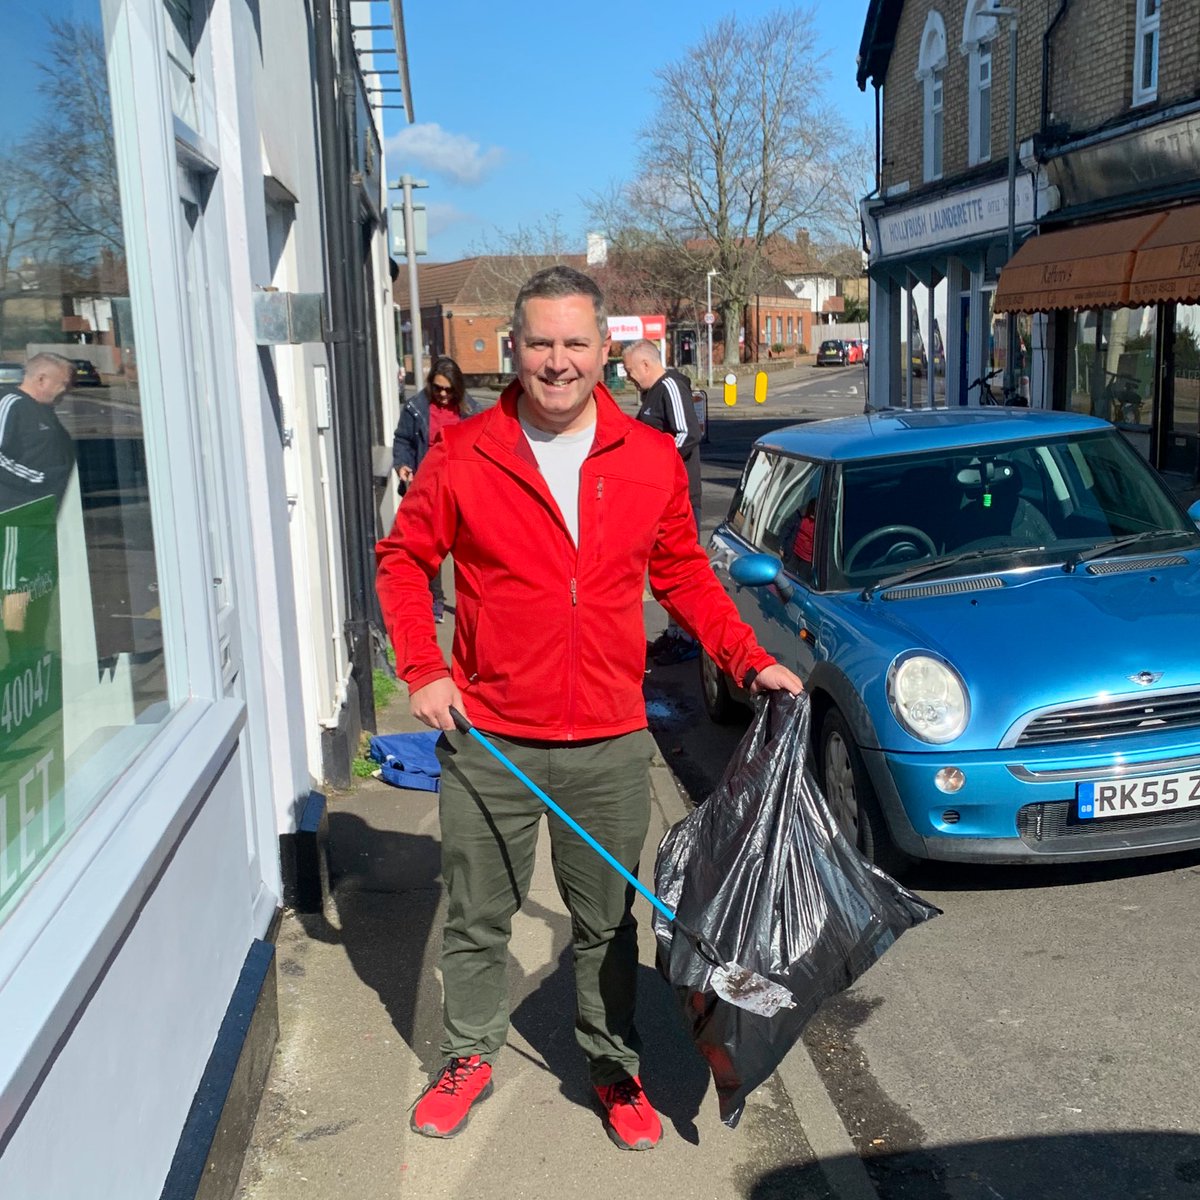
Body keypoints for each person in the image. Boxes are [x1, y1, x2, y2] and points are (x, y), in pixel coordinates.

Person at [376, 266, 802, 1151]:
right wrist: (423, 668)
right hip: (487, 735)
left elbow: (683, 572)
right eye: (540, 343)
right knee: (477, 916)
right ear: (513, 352)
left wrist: (748, 658)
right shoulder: (464, 453)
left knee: (605, 924)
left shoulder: (645, 459)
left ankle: (613, 1069)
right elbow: (402, 561)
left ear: (605, 350)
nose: (558, 362)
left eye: (576, 343)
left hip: (608, 737)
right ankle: (468, 1056)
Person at [621, 339, 703, 666]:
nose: (628, 378)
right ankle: (674, 633)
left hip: (679, 497)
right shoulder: (652, 394)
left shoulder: (670, 386)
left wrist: (656, 466)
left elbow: (687, 433)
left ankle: (688, 637)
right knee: (664, 567)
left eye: (629, 371)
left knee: (681, 568)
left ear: (644, 364)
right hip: (659, 497)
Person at [392, 356, 472, 623]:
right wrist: (403, 464)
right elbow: (402, 439)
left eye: (449, 389)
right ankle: (435, 601)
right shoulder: (416, 408)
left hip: (463, 489)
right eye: (438, 388)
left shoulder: (472, 411)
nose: (443, 394)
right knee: (431, 549)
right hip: (428, 490)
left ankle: (469, 604)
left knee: (467, 552)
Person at [1, 353, 76, 637]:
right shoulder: (12, 404)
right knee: (18, 584)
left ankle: (35, 644)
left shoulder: (45, 410)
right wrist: (37, 479)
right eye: (62, 384)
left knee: (39, 582)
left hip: (45, 514)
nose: (65, 391)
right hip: (18, 515)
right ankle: (18, 650)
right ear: (41, 378)